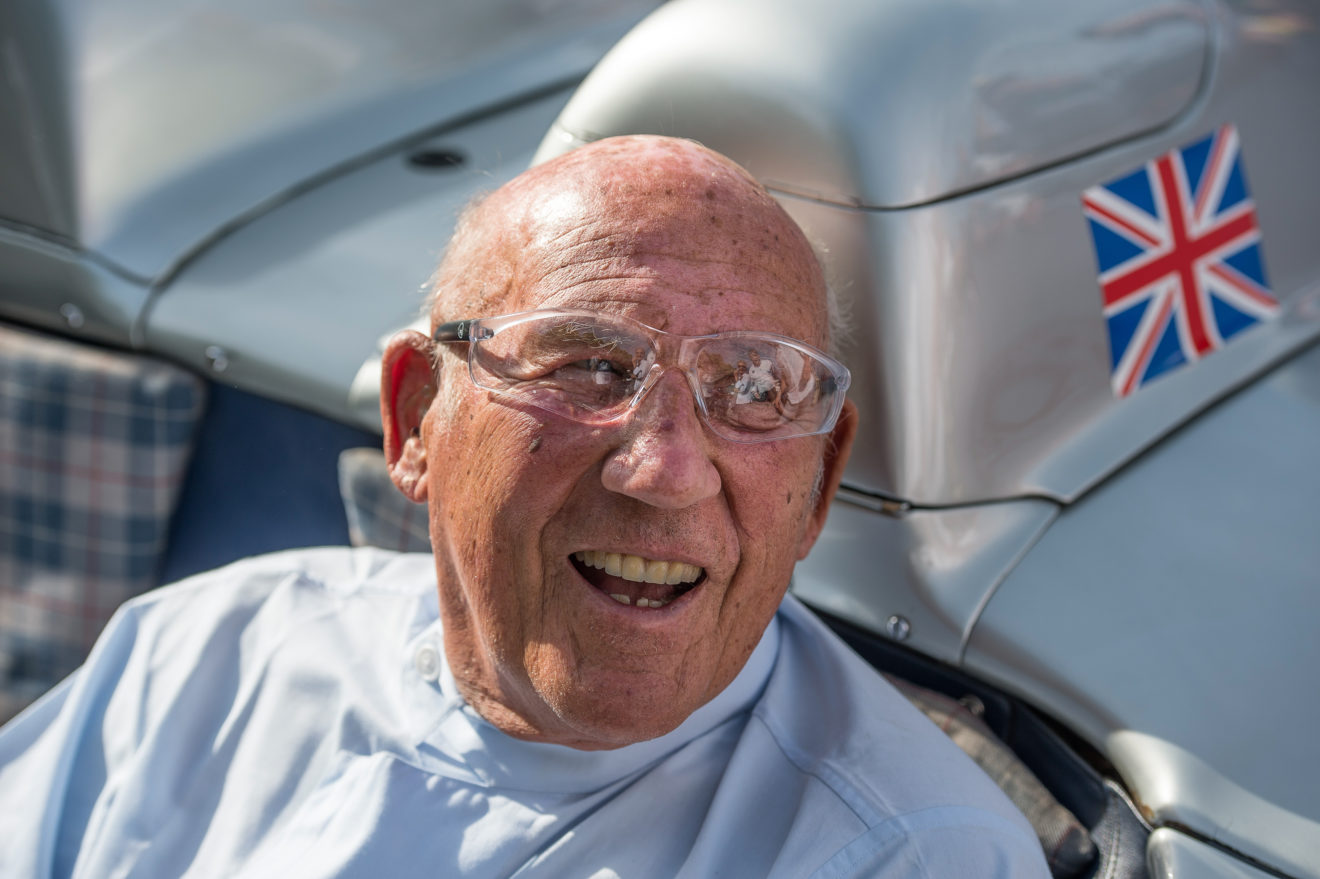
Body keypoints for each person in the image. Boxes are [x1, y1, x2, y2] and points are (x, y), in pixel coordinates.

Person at [0, 136, 1048, 877]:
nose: (665, 470)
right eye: (590, 365)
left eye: (755, 389)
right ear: (417, 419)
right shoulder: (210, 656)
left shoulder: (908, 854)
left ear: (818, 483)